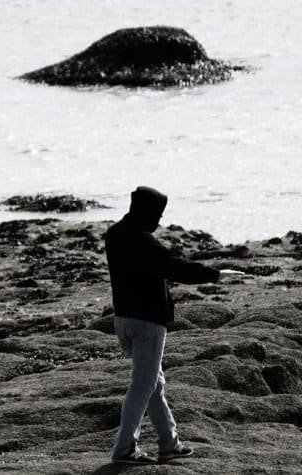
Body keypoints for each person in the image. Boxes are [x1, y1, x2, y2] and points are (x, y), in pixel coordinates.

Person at [104, 186, 223, 464]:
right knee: (144, 384)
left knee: (153, 383)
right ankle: (124, 449)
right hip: (148, 322)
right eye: (158, 215)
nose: (159, 221)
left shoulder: (114, 235)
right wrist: (214, 275)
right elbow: (175, 267)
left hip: (123, 319)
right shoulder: (144, 241)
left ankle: (169, 443)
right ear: (147, 213)